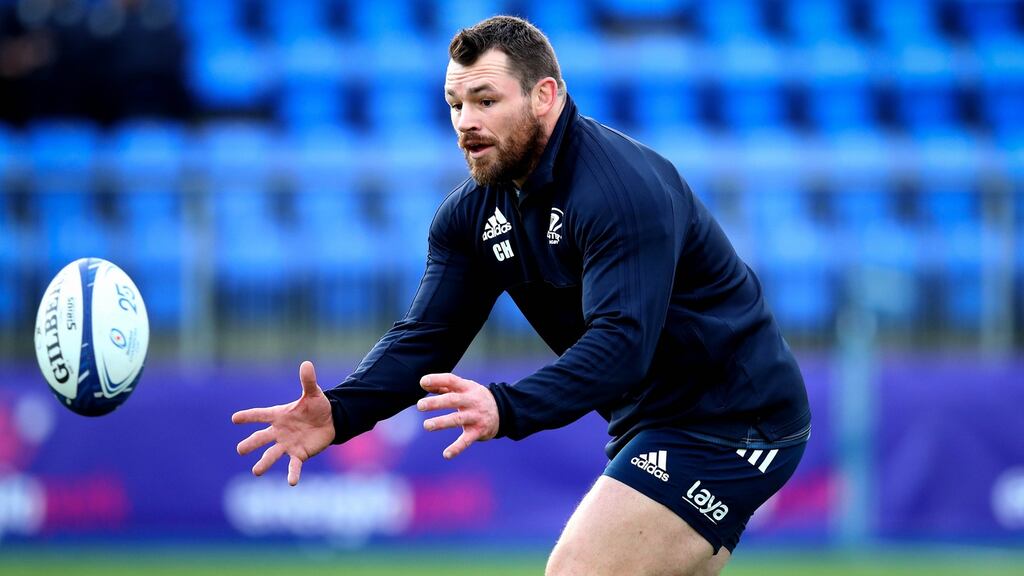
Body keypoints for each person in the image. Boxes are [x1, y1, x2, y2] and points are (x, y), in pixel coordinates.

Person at [233, 15, 810, 576]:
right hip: (655, 419)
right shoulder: (468, 217)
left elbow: (621, 344)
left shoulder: (619, 190)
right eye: (455, 105)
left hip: (736, 418)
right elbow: (426, 339)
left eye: (486, 100)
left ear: (545, 96)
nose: (465, 122)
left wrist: (506, 406)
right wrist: (340, 410)